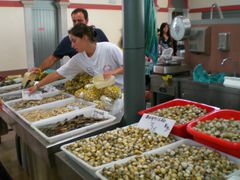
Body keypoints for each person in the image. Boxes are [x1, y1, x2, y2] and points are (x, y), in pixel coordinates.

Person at [28, 23, 123, 94]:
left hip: (125, 92)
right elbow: (57, 74)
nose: (72, 45)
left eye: (74, 41)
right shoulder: (79, 59)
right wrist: (37, 86)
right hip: (108, 93)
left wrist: (113, 72)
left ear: (85, 37)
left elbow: (131, 66)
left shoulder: (109, 48)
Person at [31, 8, 109, 73]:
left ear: (87, 20)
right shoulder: (68, 40)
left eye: (80, 20)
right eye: (74, 21)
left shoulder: (98, 33)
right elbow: (53, 58)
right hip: (82, 77)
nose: (77, 23)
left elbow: (108, 51)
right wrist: (39, 69)